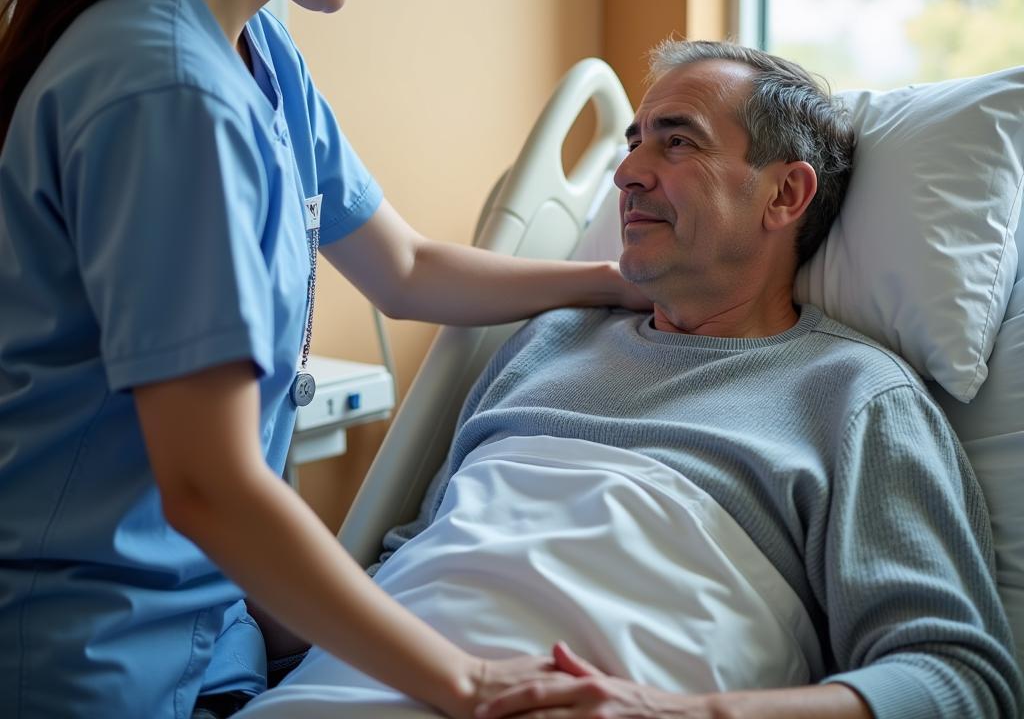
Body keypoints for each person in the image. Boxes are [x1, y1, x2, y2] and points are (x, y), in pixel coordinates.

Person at [0, 0, 647, 719]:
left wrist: (611, 280)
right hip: (97, 652)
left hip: (204, 631)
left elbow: (404, 267)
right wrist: (466, 682)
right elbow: (207, 481)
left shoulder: (261, 56)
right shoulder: (165, 92)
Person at [247, 40, 1023, 719]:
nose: (625, 172)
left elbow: (958, 680)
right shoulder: (549, 342)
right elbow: (416, 563)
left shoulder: (852, 396)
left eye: (676, 144)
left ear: (785, 194)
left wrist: (685, 713)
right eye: (631, 143)